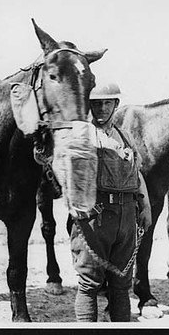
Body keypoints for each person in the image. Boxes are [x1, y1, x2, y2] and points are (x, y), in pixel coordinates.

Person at [70, 82, 152, 322]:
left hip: (126, 217)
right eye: (96, 103)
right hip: (95, 217)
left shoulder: (123, 136)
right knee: (89, 282)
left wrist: (145, 205)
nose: (102, 108)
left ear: (116, 105)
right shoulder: (81, 133)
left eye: (107, 103)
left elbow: (137, 172)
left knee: (121, 284)